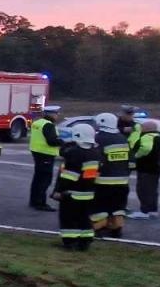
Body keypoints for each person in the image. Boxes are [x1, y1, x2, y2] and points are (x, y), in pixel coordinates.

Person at [55, 122, 100, 250]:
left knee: (69, 218)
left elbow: (69, 175)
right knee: (85, 218)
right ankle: (85, 242)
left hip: (72, 193)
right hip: (89, 192)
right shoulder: (96, 153)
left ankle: (70, 242)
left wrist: (60, 190)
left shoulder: (75, 153)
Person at [92, 111, 131, 238]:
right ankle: (116, 229)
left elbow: (95, 160)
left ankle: (98, 228)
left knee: (100, 207)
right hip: (122, 182)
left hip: (103, 181)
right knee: (118, 207)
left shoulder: (98, 138)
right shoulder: (122, 138)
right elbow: (130, 162)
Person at [28, 103, 62, 211]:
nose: (58, 116)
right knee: (44, 180)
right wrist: (63, 142)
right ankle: (40, 203)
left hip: (37, 153)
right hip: (46, 155)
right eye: (56, 114)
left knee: (37, 179)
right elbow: (51, 141)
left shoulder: (37, 123)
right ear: (51, 114)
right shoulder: (48, 125)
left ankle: (33, 201)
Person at [128, 118, 160, 219]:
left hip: (146, 168)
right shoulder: (157, 136)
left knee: (143, 190)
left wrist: (137, 155)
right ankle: (152, 210)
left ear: (148, 128)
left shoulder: (147, 136)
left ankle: (144, 211)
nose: (141, 128)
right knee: (152, 190)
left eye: (143, 127)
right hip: (155, 168)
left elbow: (146, 148)